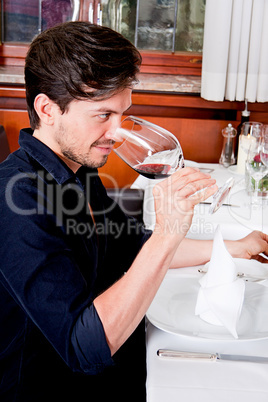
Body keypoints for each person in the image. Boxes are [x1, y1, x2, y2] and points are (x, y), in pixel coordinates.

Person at [0, 21, 268, 402]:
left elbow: (127, 243)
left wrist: (230, 247)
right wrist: (169, 230)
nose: (117, 132)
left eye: (123, 114)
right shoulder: (16, 200)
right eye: (102, 115)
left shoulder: (80, 167)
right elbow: (83, 347)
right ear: (47, 109)